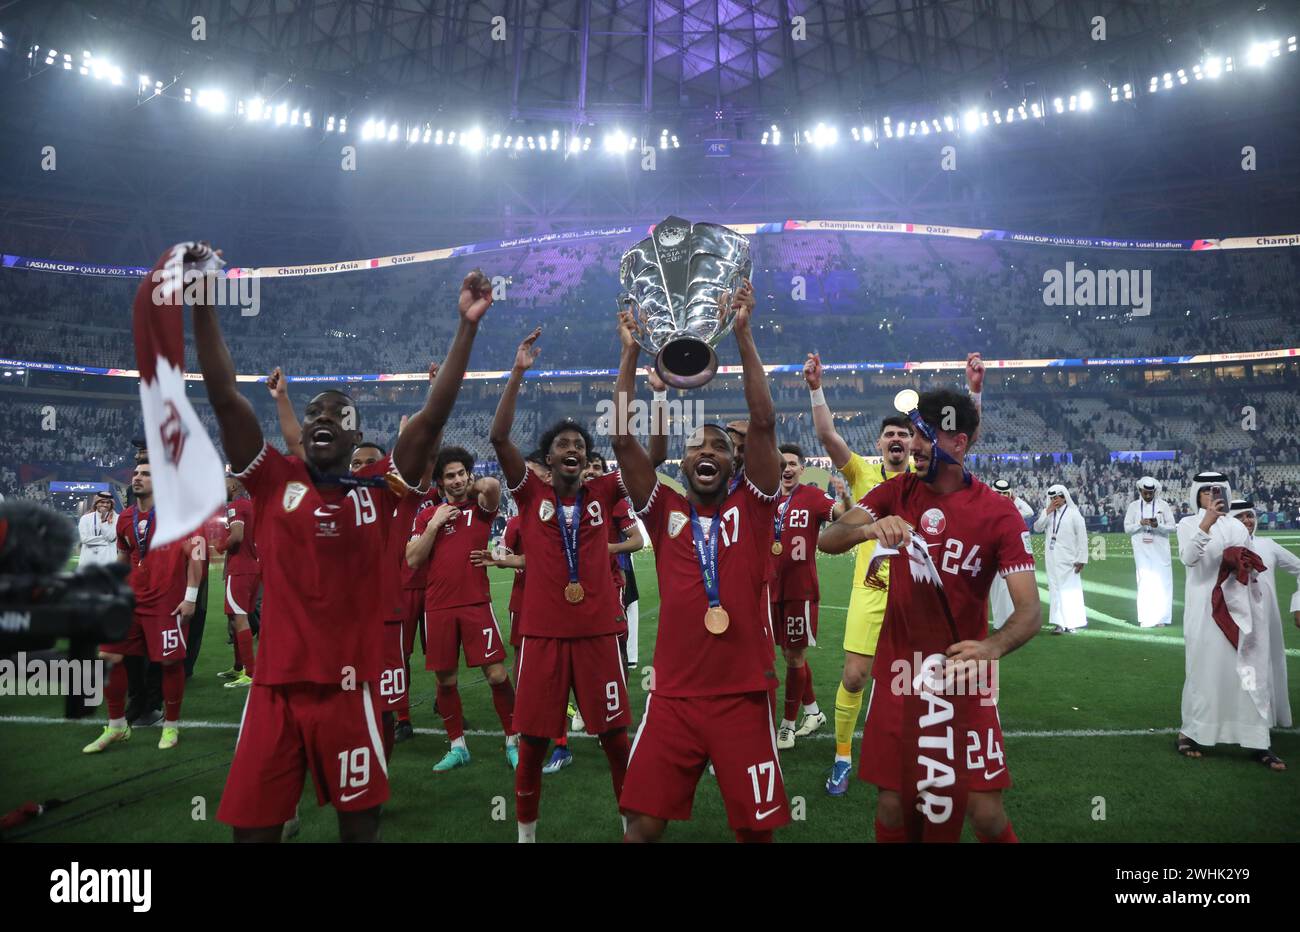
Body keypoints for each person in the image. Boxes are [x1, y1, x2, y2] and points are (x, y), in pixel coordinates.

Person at [197, 247, 490, 842]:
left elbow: (432, 421)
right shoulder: (273, 478)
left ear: (358, 435)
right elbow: (225, 394)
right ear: (303, 433)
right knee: (252, 832)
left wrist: (466, 327)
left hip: (348, 691)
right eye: (313, 412)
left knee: (359, 831)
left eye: (339, 412)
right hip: (273, 691)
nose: (323, 416)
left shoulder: (380, 494)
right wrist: (203, 302)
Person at [818, 388, 1040, 843]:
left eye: (925, 434)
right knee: (893, 805)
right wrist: (868, 529)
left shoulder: (1000, 514)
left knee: (983, 809)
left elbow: (1030, 610)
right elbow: (829, 538)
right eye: (913, 434)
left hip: (964, 679)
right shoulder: (896, 490)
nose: (913, 445)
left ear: (959, 442)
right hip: (900, 673)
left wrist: (992, 646)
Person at [615, 284, 793, 843]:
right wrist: (629, 352)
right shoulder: (664, 507)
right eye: (696, 446)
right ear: (684, 461)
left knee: (756, 831)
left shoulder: (756, 504)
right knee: (641, 824)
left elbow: (763, 421)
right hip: (672, 699)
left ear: (734, 459)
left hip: (741, 697)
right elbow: (623, 438)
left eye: (718, 445)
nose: (707, 452)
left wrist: (742, 334)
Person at [490, 327, 633, 843]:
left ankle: (628, 827)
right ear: (548, 460)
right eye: (562, 445)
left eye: (579, 445)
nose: (572, 449)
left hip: (597, 635)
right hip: (544, 637)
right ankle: (527, 836)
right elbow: (500, 437)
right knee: (531, 743)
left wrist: (628, 356)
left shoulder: (603, 489)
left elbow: (633, 441)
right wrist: (518, 372)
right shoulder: (529, 494)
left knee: (617, 739)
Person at [82, 458, 204, 754]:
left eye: (146, 474)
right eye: (136, 473)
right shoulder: (125, 518)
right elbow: (124, 558)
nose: (137, 477)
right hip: (132, 600)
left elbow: (196, 556)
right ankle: (117, 725)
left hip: (166, 603)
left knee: (170, 663)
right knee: (109, 656)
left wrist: (190, 597)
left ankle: (171, 726)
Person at [406, 446, 516, 771]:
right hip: (437, 608)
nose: (456, 480)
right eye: (449, 476)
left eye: (461, 474)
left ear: (469, 475)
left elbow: (493, 487)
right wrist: (434, 524)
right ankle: (457, 746)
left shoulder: (480, 508)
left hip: (475, 604)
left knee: (496, 675)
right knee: (445, 681)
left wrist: (469, 484)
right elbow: (413, 559)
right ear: (439, 482)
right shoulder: (428, 516)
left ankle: (513, 739)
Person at [1176, 474, 1286, 770]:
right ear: (1197, 495)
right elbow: (1189, 559)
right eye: (1208, 492)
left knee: (1248, 671)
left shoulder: (1238, 526)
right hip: (1205, 611)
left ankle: (1257, 740)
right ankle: (1193, 733)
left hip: (1241, 609)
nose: (1215, 496)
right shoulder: (1187, 524)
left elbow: (1248, 565)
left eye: (1220, 490)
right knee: (1205, 671)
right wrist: (1206, 523)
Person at [769, 442, 843, 750]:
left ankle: (786, 725)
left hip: (800, 590)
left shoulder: (813, 497)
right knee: (787, 654)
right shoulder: (764, 499)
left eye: (792, 464)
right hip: (770, 589)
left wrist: (846, 496)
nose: (786, 468)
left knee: (795, 656)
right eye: (781, 463)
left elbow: (842, 515)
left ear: (801, 468)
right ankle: (813, 712)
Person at [1230, 499, 1296, 765]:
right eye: (1241, 517)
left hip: (1265, 621)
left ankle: (1262, 719)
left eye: (1250, 516)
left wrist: (1298, 604)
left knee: (1262, 666)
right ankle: (1237, 718)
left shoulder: (1268, 545)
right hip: (1233, 622)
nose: (1248, 521)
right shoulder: (1223, 548)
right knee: (1238, 668)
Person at [220, 477, 260, 689]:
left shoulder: (236, 505)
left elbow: (236, 536)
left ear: (233, 485)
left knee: (240, 618)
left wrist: (220, 546)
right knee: (235, 618)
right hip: (253, 567)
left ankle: (250, 672)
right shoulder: (251, 505)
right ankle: (238, 666)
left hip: (240, 569)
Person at [1034, 484, 1088, 634]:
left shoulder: (1074, 514)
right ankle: (1059, 623)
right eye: (1051, 498)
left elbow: (1082, 538)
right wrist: (1047, 512)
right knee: (1054, 589)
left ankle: (1071, 623)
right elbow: (1037, 528)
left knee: (1070, 590)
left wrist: (1082, 559)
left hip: (1070, 559)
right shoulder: (1048, 513)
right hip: (1051, 557)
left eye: (1056, 497)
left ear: (1064, 498)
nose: (1054, 500)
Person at [1123, 476, 1176, 628]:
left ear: (1155, 492)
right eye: (1145, 493)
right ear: (1140, 490)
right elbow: (1127, 528)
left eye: (1150, 493)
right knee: (1144, 581)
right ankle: (1145, 617)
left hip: (1160, 548)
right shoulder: (1133, 506)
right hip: (1141, 549)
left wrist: (1157, 525)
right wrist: (1140, 524)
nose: (1147, 496)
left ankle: (1162, 618)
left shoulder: (1163, 505)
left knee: (1162, 581)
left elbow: (1172, 527)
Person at [989, 479, 1034, 630]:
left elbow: (1029, 511)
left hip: (1009, 555)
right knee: (995, 590)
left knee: (1008, 589)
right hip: (991, 555)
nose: (1001, 496)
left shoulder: (1014, 511)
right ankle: (999, 622)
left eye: (1005, 493)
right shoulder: (987, 509)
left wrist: (1015, 498)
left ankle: (1008, 621)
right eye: (998, 493)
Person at [77, 492, 118, 570]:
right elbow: (84, 539)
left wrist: (103, 521)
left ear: (111, 504)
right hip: (88, 561)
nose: (105, 505)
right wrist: (106, 541)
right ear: (96, 503)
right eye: (102, 502)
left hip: (108, 560)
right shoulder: (85, 518)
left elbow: (111, 537)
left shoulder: (117, 518)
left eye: (108, 502)